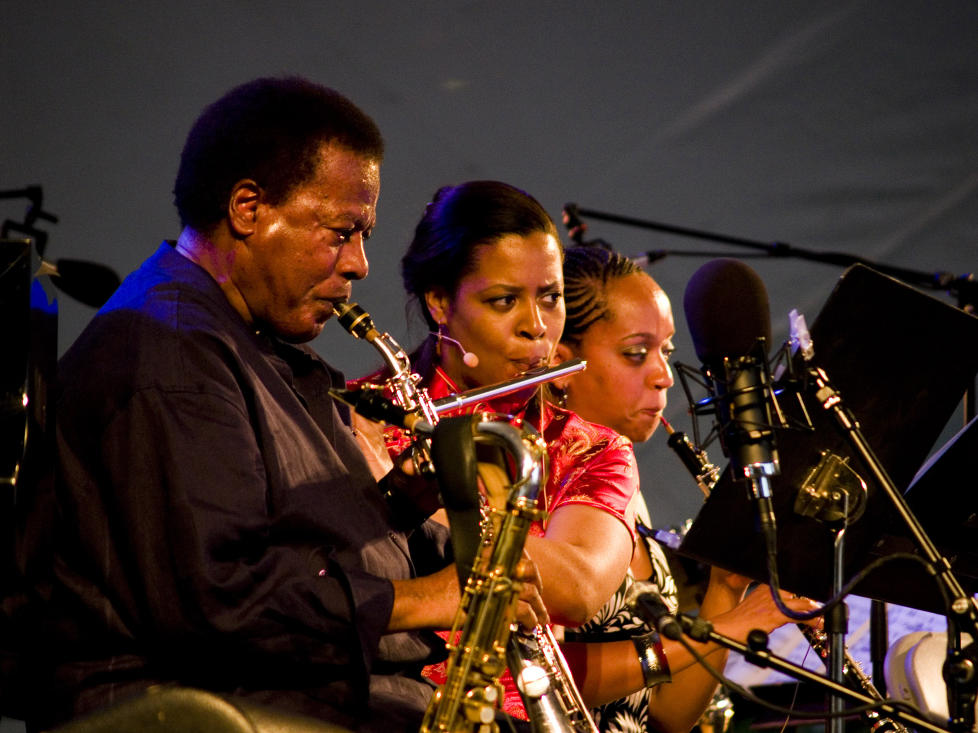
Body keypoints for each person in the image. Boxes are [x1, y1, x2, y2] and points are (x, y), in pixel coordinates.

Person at [29, 77, 546, 732]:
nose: (360, 264)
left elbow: (300, 549)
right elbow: (220, 601)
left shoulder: (258, 350)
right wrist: (434, 598)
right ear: (248, 207)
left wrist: (403, 509)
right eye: (340, 232)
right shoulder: (168, 354)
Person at [354, 180, 641, 720]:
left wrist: (449, 498)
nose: (537, 327)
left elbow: (578, 589)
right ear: (441, 302)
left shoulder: (589, 449)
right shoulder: (362, 421)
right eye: (504, 301)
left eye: (550, 298)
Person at [553, 244, 819, 733]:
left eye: (667, 352)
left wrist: (725, 589)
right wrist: (726, 630)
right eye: (635, 354)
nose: (664, 377)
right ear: (563, 361)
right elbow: (542, 674)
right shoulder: (537, 485)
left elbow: (665, 713)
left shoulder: (626, 492)